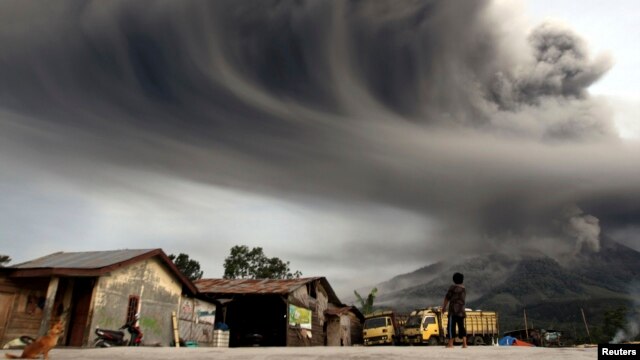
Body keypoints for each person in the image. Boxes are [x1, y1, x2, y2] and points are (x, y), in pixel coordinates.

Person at [442, 272, 467, 348]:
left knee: (451, 327)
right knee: (461, 327)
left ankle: (450, 344)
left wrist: (444, 307)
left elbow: (447, 298)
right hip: (461, 311)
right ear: (462, 280)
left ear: (454, 280)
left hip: (453, 311)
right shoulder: (464, 289)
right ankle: (464, 343)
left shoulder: (452, 288)